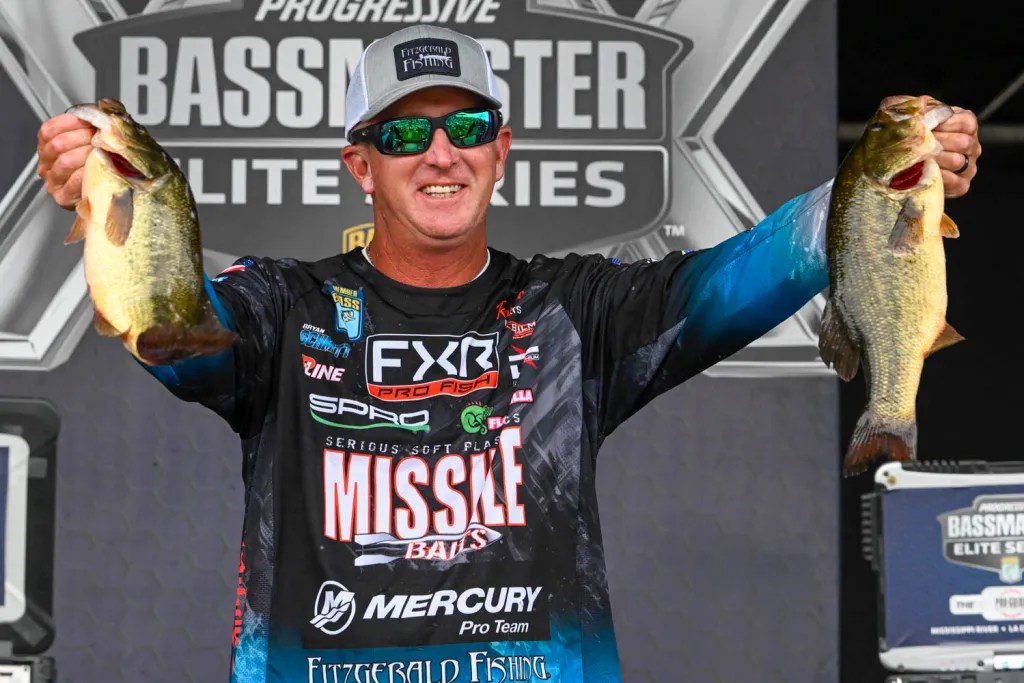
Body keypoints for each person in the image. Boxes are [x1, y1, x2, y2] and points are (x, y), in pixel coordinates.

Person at [35, 24, 981, 683]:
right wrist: (108, 196)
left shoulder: (577, 311)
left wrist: (889, 183)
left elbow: (753, 271)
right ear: (361, 164)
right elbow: (175, 336)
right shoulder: (285, 308)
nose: (441, 153)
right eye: (406, 131)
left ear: (502, 150)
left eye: (468, 126)